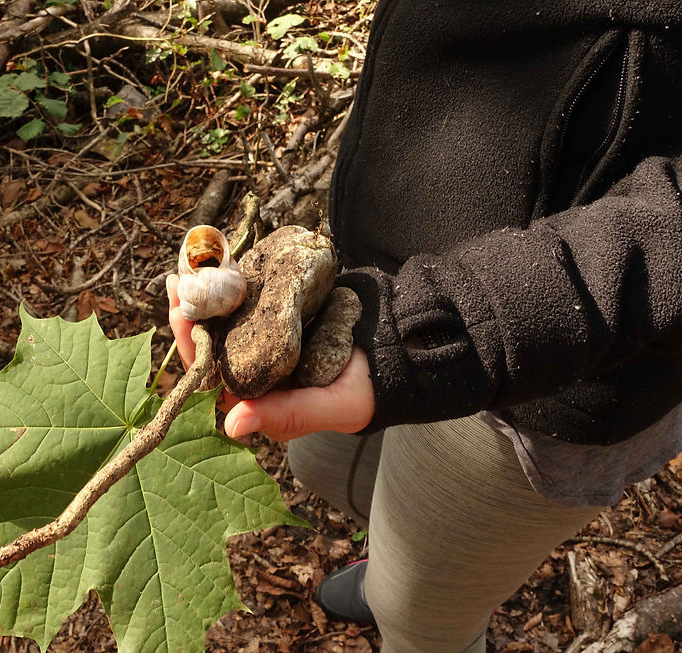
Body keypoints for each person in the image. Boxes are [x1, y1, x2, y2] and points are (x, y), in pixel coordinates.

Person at [167, 3, 682, 651]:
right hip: (383, 284)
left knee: (423, 618)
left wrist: (427, 333)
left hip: (558, 362)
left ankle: (428, 616)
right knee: (321, 464)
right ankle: (399, 573)